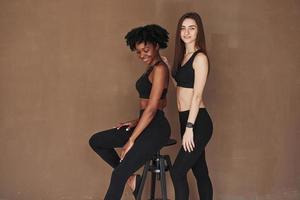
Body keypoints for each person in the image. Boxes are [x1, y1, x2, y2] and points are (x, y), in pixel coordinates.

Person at [89, 24, 171, 200]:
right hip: (146, 122)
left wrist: (131, 140)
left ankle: (125, 175)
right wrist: (136, 121)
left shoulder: (160, 69)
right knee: (97, 141)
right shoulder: (152, 68)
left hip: (156, 129)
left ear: (156, 45)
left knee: (118, 176)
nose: (142, 55)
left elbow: (152, 108)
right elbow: (159, 104)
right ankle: (132, 178)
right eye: (138, 52)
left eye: (146, 50)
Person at [169, 12, 214, 200]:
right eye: (183, 28)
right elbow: (181, 88)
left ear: (198, 31)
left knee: (177, 172)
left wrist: (189, 128)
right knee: (200, 170)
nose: (187, 32)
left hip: (197, 122)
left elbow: (196, 96)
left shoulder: (200, 58)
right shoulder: (183, 57)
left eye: (192, 28)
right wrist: (170, 72)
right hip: (185, 119)